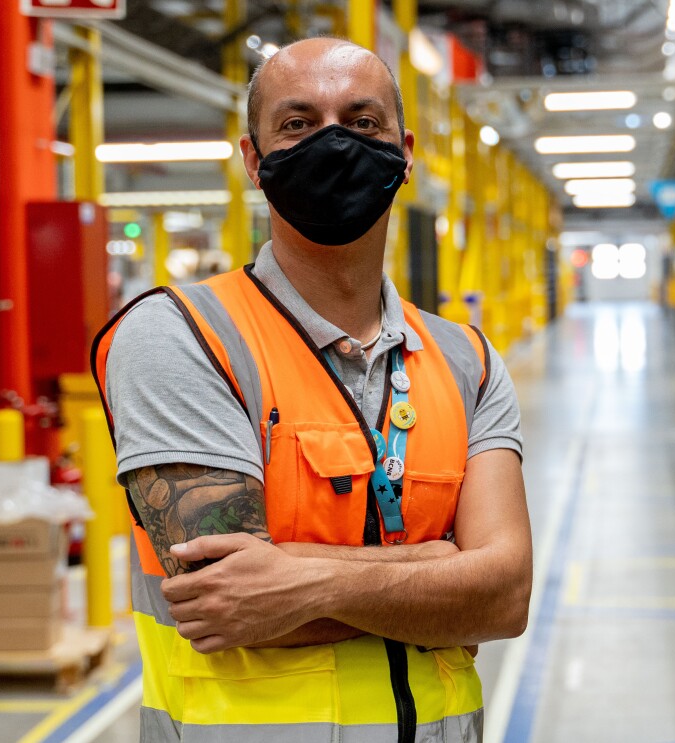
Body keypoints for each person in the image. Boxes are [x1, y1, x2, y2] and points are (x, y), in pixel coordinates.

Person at [91, 36, 533, 743]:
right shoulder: (183, 335)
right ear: (253, 159)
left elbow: (504, 595)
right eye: (298, 124)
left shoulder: (466, 360)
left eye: (362, 122)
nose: (334, 143)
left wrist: (307, 580)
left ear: (405, 153)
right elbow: (223, 597)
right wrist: (444, 567)